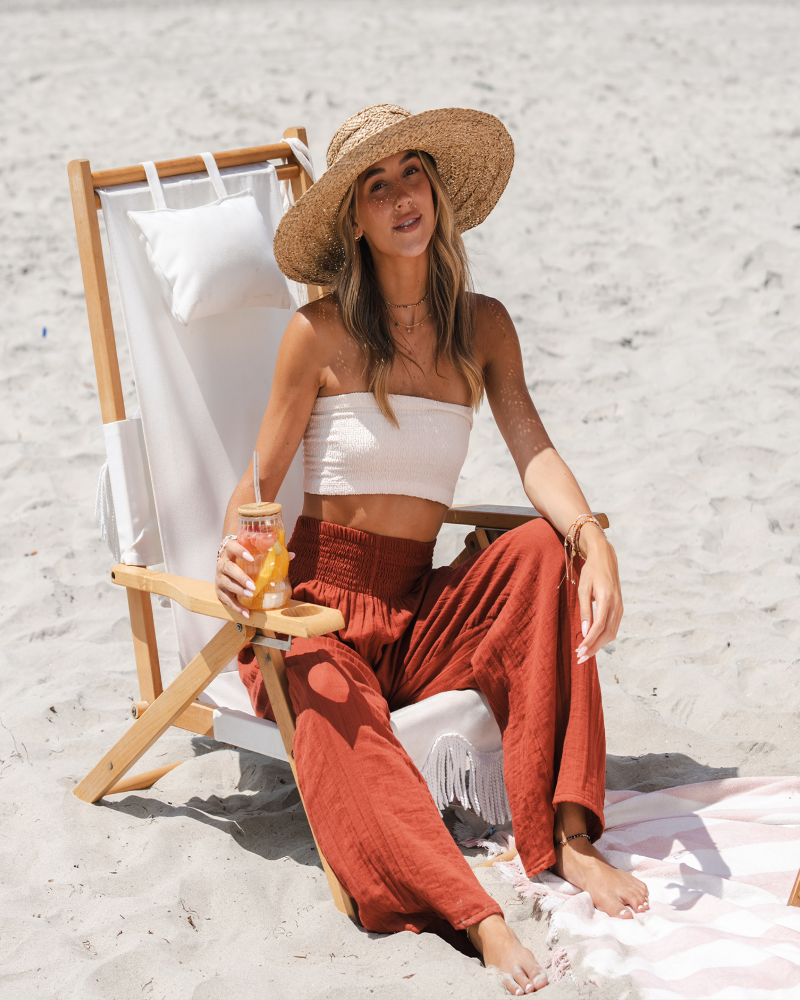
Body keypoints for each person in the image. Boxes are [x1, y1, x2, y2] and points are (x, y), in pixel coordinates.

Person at [215, 104, 648, 995]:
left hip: (416, 613)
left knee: (542, 551)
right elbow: (254, 488)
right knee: (331, 699)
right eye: (375, 186)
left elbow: (533, 449)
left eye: (411, 172)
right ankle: (474, 914)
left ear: (438, 191)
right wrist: (232, 553)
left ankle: (568, 839)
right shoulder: (318, 334)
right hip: (315, 614)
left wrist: (591, 538)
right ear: (355, 220)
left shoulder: (482, 327)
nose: (400, 196)